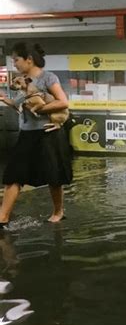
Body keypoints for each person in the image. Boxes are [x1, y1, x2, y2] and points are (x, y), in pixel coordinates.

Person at [0, 43, 72, 227]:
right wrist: (4, 99)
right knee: (13, 175)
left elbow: (63, 102)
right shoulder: (21, 80)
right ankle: (2, 217)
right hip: (26, 134)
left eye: (16, 59)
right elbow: (19, 105)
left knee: (53, 177)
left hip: (47, 134)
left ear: (29, 59)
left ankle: (58, 211)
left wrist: (39, 109)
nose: (14, 63)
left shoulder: (48, 77)